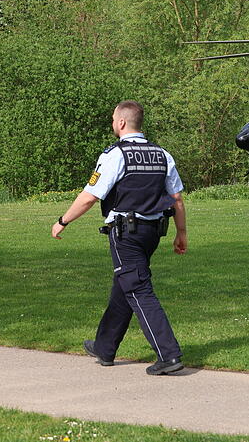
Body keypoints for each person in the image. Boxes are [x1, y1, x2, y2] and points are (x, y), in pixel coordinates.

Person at [50, 100, 188, 376]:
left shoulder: (116, 155)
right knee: (124, 284)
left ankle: (169, 355)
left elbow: (90, 196)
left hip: (126, 233)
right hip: (152, 233)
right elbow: (177, 199)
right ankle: (105, 347)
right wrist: (181, 232)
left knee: (137, 289)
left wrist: (63, 220)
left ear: (122, 122)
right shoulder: (162, 154)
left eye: (114, 119)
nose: (112, 123)